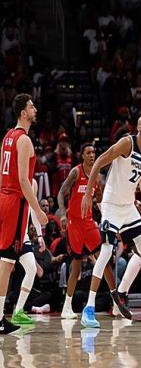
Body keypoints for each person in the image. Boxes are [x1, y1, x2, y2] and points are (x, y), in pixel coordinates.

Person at [80, 115, 141, 328]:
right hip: (111, 205)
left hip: (128, 207)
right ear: (137, 127)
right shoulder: (127, 143)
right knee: (105, 252)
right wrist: (88, 193)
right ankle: (88, 308)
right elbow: (99, 161)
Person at [57, 143, 131, 320]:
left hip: (89, 223)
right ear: (82, 155)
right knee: (76, 267)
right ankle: (66, 307)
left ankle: (116, 302)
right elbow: (61, 193)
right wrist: (63, 214)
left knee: (104, 261)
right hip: (75, 223)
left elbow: (99, 200)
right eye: (88, 152)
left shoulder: (97, 176)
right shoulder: (76, 172)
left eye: (94, 152)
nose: (92, 155)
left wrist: (107, 216)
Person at [0, 93, 48, 334]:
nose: (35, 109)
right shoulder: (24, 140)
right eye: (31, 106)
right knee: (6, 263)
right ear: (23, 113)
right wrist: (37, 211)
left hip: (4, 198)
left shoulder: (7, 136)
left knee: (7, 261)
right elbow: (23, 180)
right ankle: (0, 318)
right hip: (16, 203)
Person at [11, 179, 45, 325]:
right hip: (8, 232)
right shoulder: (10, 177)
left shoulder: (33, 183)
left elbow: (33, 209)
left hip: (22, 236)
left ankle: (18, 311)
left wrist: (40, 236)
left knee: (31, 269)